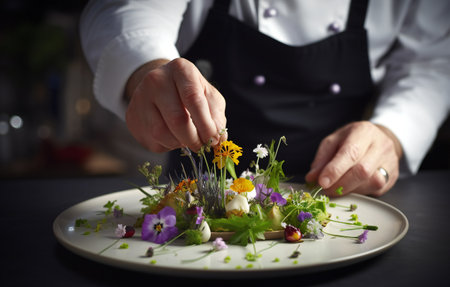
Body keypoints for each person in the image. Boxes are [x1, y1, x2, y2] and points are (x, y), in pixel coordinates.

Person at [80, 0, 450, 197]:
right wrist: (147, 67)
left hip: (342, 197)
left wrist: (393, 131)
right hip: (198, 201)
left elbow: (433, 60)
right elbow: (124, 7)